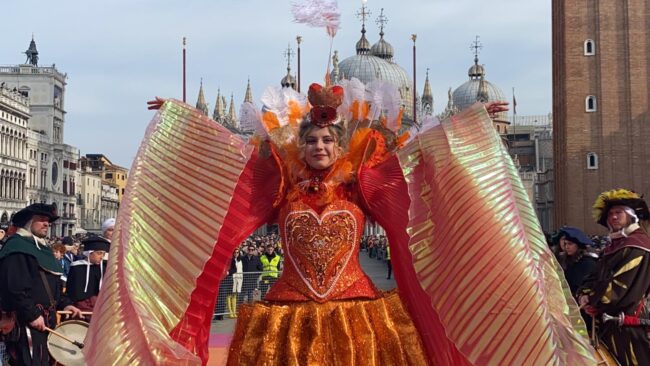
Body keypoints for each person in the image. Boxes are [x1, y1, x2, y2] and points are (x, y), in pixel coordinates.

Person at [85, 79, 596, 363]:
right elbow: (225, 172)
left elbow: (423, 171)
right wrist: (181, 119)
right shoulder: (279, 181)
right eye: (311, 140)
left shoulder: (363, 183)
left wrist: (471, 120)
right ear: (299, 144)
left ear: (340, 143)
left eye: (329, 140)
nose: (320, 147)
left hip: (360, 316)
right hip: (287, 318)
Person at [0, 203, 82, 365]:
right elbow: (14, 288)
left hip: (46, 320)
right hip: (26, 322)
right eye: (42, 220)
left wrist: (65, 304)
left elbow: (53, 285)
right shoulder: (17, 248)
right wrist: (32, 315)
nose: (47, 224)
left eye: (48, 221)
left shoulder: (41, 248)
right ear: (28, 222)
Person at [578, 189, 650, 365]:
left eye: (619, 212)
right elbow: (593, 277)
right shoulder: (613, 247)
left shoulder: (638, 246)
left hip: (630, 327)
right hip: (608, 324)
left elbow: (621, 286)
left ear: (632, 216)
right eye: (610, 214)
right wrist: (584, 294)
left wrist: (594, 301)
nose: (613, 217)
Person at [66, 235, 110, 313]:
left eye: (103, 254)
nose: (101, 257)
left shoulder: (104, 268)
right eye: (99, 253)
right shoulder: (77, 267)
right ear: (89, 253)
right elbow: (72, 292)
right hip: (79, 308)